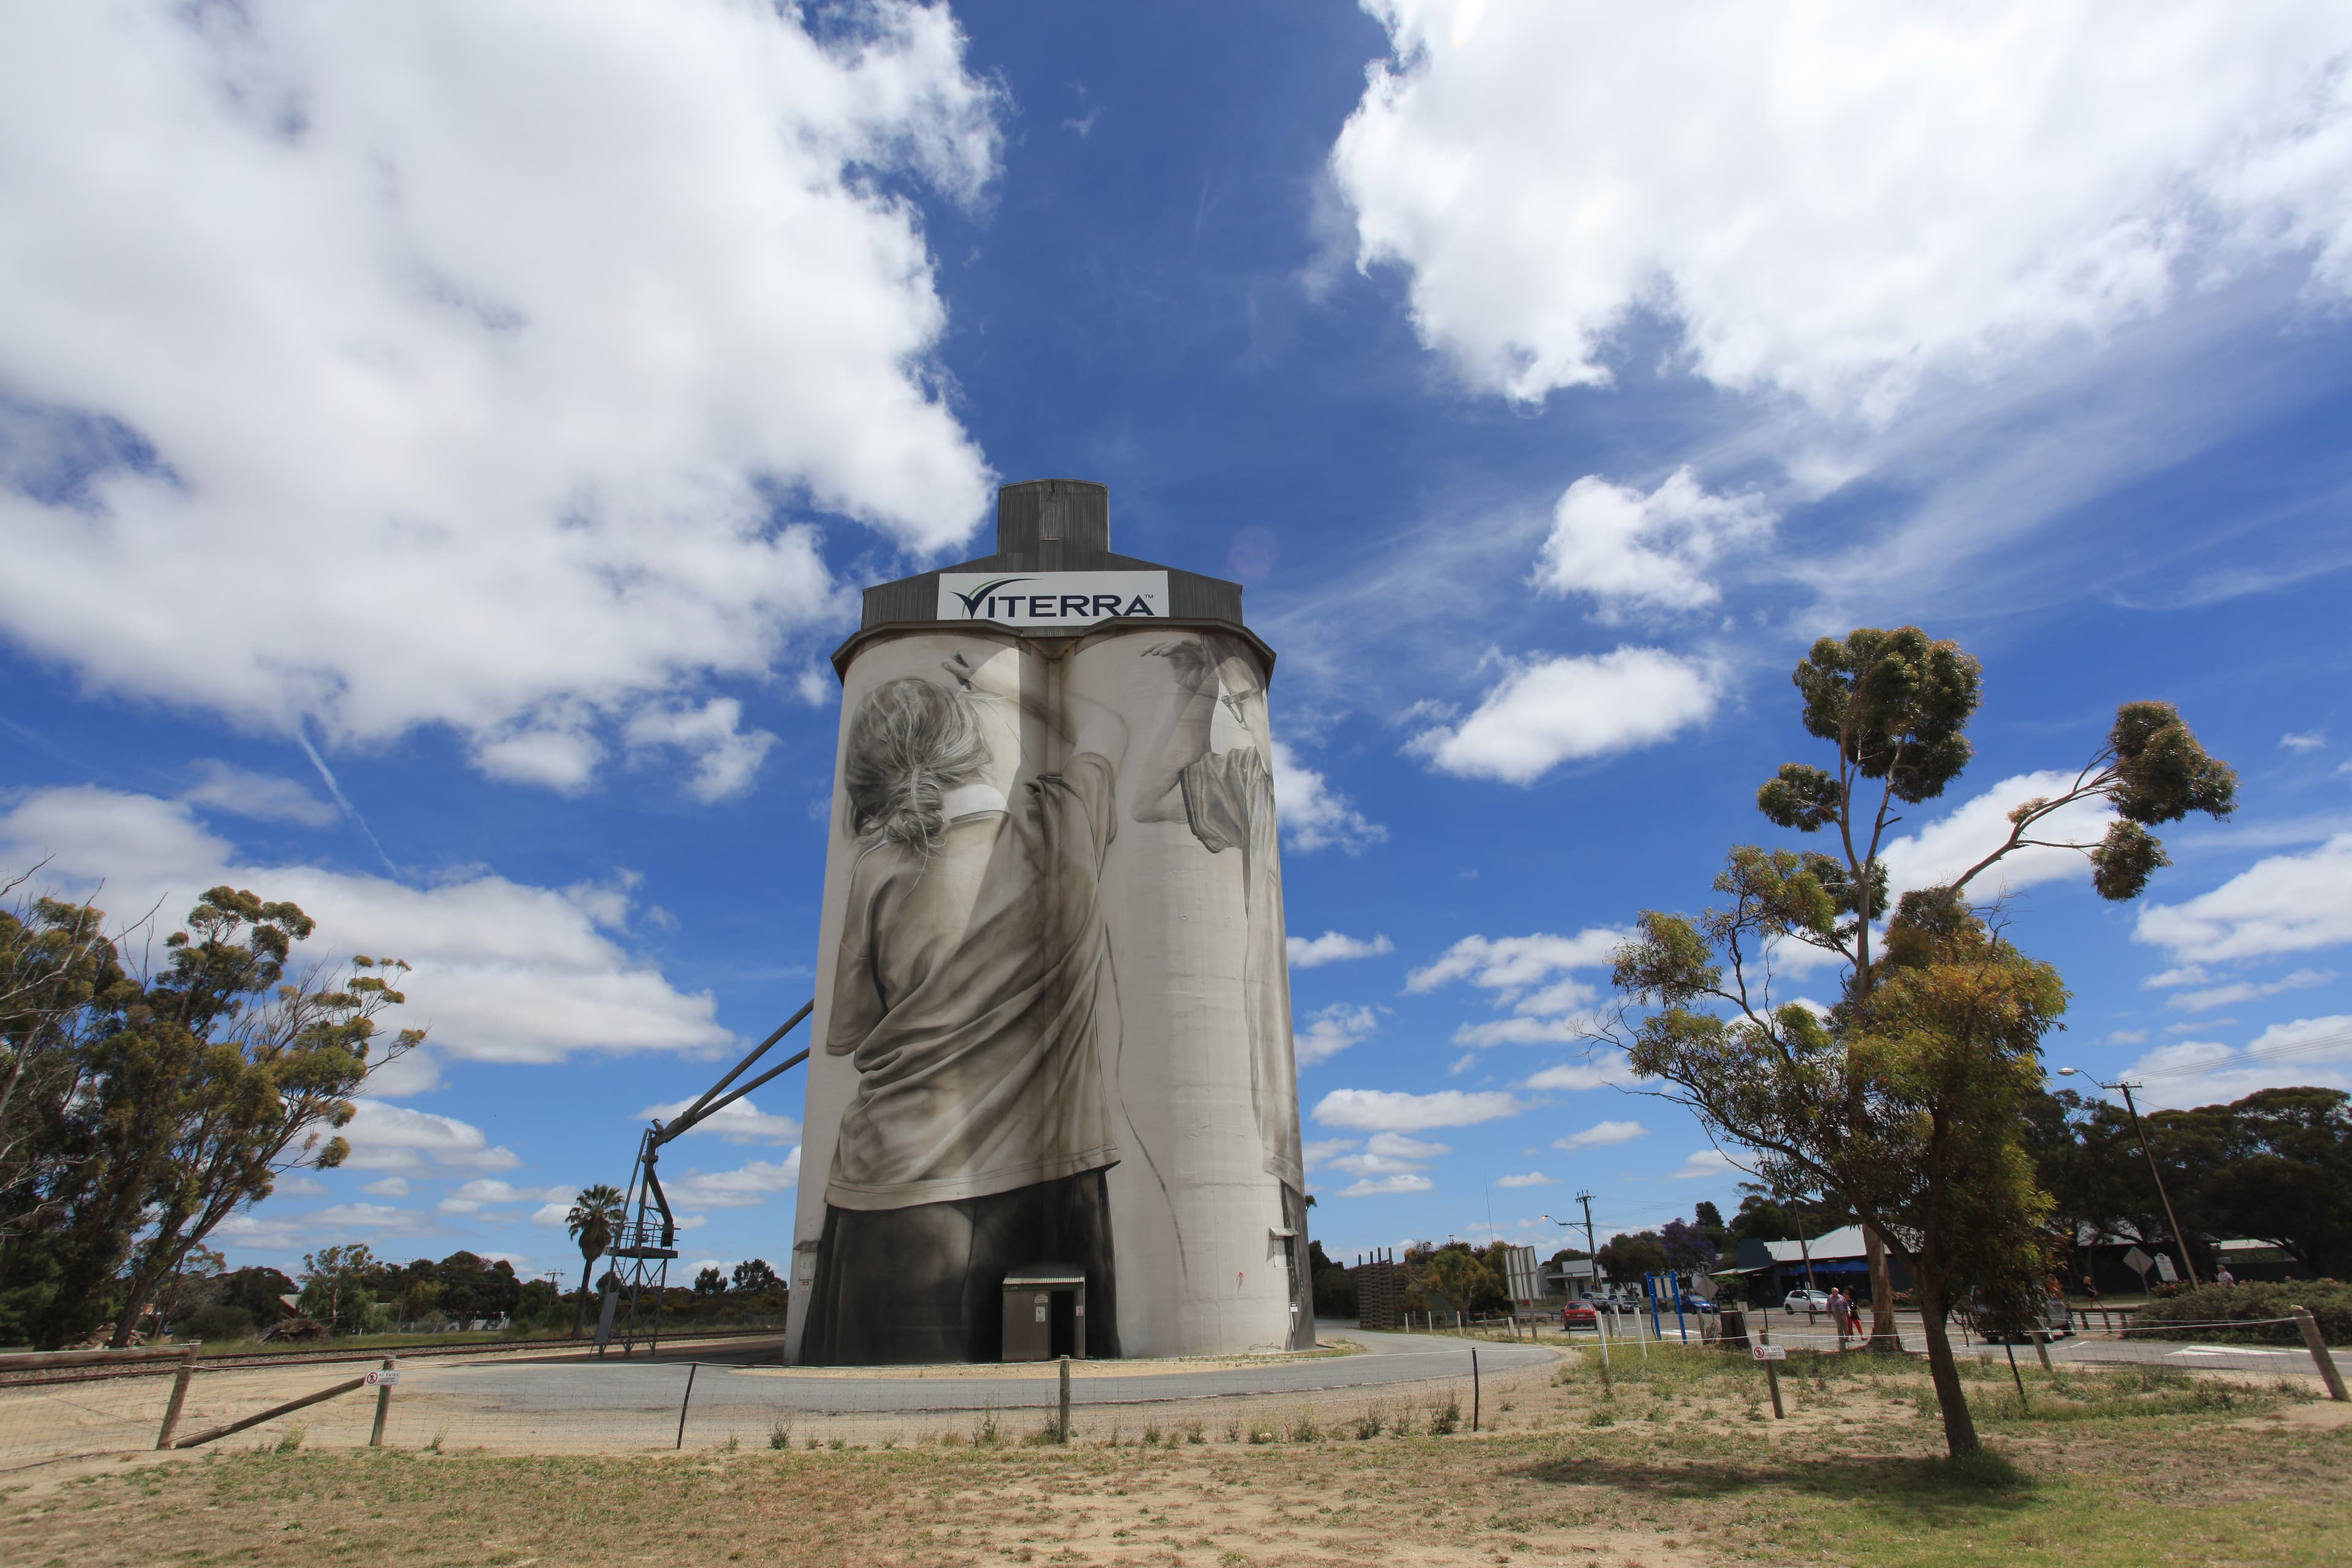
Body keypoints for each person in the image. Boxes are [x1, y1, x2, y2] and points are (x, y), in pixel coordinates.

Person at [801, 649, 1129, 1365]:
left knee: (885, 1436)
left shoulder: (879, 871)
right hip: (1061, 1184)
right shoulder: (1063, 822)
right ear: (972, 744)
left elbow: (848, 1031)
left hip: (894, 1195)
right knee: (1085, 1417)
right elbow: (1105, 726)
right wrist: (1013, 682)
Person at [1133, 634, 1313, 1347]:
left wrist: (1194, 698)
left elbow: (1148, 797)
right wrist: (1195, 698)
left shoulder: (1245, 776)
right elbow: (1150, 801)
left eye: (1244, 701)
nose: (1242, 715)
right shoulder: (1239, 772)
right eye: (1234, 700)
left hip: (1254, 1018)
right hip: (1255, 1021)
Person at [1827, 1286, 1850, 1350]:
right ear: (1832, 1292)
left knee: (1845, 1325)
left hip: (1843, 1313)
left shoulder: (1842, 1297)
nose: (1836, 1293)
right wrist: (1828, 1312)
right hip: (1836, 1314)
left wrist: (1848, 1311)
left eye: (1837, 1292)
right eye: (1834, 1292)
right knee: (1839, 1325)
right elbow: (1828, 1305)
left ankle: (1847, 1337)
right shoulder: (1830, 1298)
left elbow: (1847, 1305)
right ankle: (1841, 1337)